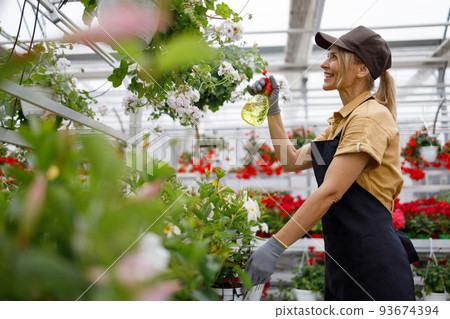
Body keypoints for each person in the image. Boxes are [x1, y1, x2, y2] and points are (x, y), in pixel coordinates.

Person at [245, 25, 419, 301]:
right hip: (346, 259)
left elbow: (332, 190)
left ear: (362, 70)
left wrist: (276, 245)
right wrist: (273, 109)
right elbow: (288, 160)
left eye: (335, 57)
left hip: (373, 265)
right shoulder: (342, 122)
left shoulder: (368, 118)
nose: (324, 64)